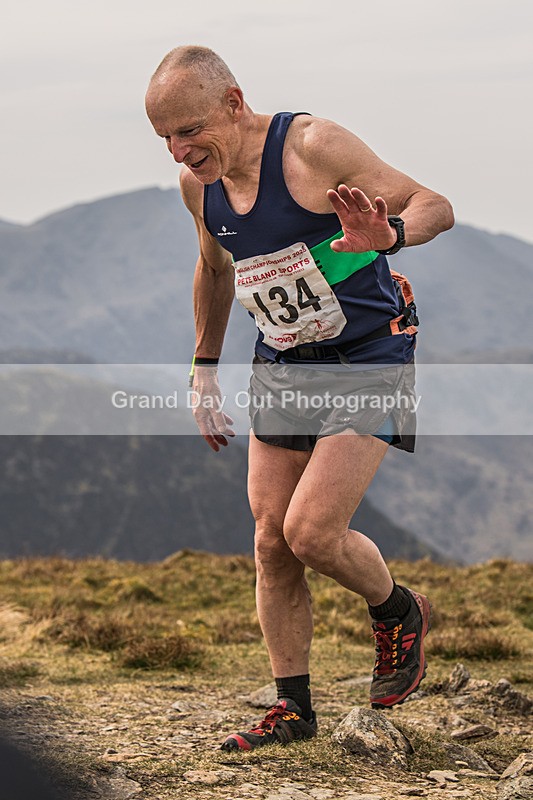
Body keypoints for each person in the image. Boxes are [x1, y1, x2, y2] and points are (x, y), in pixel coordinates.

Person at [145, 45, 454, 751]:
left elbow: (435, 205)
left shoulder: (312, 147)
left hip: (369, 354)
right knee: (269, 541)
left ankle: (398, 611)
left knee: (310, 534)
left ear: (233, 102)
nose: (179, 152)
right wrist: (202, 366)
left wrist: (393, 234)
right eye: (165, 137)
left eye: (189, 130)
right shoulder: (201, 187)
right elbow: (212, 269)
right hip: (284, 360)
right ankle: (293, 710)